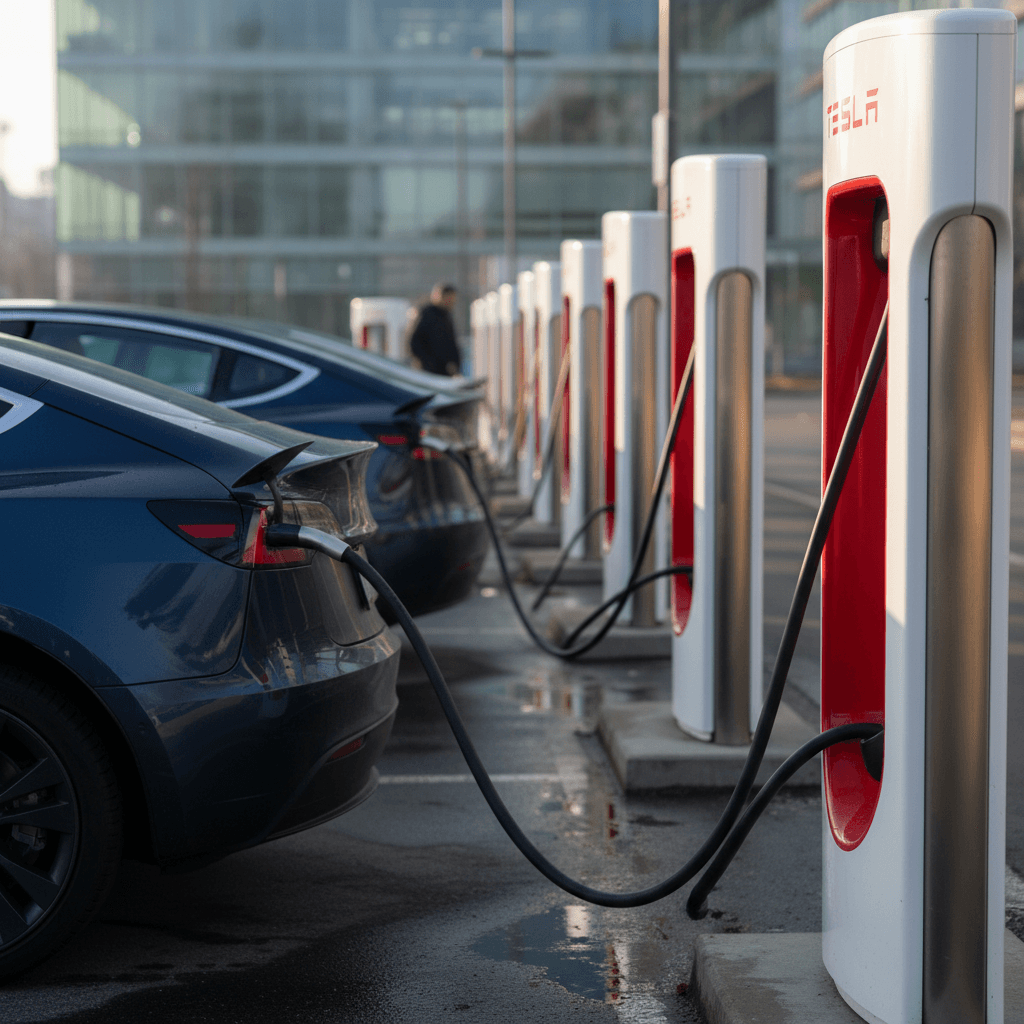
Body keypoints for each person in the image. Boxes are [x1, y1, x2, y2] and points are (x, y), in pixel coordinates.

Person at [409, 283, 460, 376]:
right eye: (449, 298)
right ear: (440, 296)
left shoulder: (446, 316)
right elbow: (414, 342)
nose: (452, 302)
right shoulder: (427, 314)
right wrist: (428, 364)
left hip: (444, 372)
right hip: (429, 373)